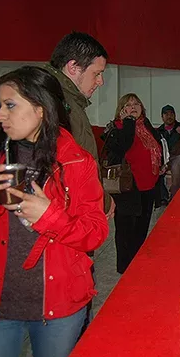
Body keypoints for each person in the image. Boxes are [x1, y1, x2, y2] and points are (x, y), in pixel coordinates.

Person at [0, 66, 108, 357]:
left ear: (41, 108)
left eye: (10, 105)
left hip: (59, 306)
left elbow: (95, 233)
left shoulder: (77, 161)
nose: (0, 115)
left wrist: (50, 217)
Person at [43, 32, 115, 220]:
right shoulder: (58, 104)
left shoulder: (63, 100)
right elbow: (76, 170)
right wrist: (103, 201)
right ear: (73, 67)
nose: (100, 82)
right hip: (66, 217)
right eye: (97, 73)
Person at [103, 94, 163, 274]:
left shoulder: (146, 125)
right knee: (126, 231)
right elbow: (124, 146)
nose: (134, 107)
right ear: (121, 109)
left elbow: (157, 146)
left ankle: (136, 266)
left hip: (149, 184)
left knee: (142, 228)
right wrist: (128, 121)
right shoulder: (117, 127)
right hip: (129, 186)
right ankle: (124, 268)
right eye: (128, 105)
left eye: (136, 103)